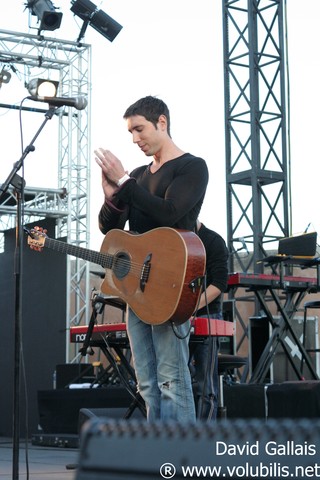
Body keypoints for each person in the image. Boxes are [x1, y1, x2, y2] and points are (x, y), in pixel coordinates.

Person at [95, 95, 209, 422]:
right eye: (130, 132)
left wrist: (127, 184)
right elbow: (111, 228)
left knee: (172, 376)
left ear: (162, 122)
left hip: (171, 284)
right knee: (146, 380)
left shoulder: (192, 167)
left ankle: (182, 456)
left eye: (139, 129)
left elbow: (171, 214)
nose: (134, 139)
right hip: (138, 290)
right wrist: (113, 198)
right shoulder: (141, 176)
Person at [190, 219, 229, 421]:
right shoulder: (177, 240)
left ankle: (204, 438)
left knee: (206, 384)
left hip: (207, 315)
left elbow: (220, 283)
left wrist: (193, 307)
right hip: (179, 318)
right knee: (178, 380)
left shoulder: (213, 241)